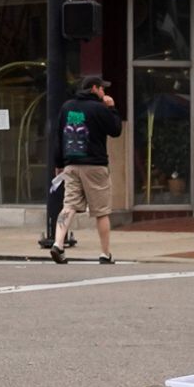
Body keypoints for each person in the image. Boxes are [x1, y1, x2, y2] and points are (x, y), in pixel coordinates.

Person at [51, 75, 123, 264]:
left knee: (69, 205)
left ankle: (58, 243)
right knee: (101, 211)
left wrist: (59, 164)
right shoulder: (99, 108)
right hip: (95, 165)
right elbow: (115, 130)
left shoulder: (67, 107)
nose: (104, 92)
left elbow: (59, 136)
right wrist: (112, 108)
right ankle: (105, 253)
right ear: (94, 88)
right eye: (102, 89)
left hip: (71, 164)